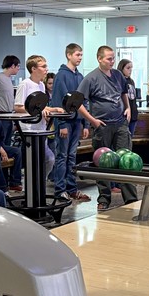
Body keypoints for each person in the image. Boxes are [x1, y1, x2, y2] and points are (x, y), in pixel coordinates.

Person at [78, 46, 138, 211]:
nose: (112, 61)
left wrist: (128, 108)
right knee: (103, 162)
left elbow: (124, 92)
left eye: (113, 58)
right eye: (109, 59)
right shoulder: (90, 78)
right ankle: (104, 199)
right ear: (99, 59)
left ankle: (131, 198)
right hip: (102, 126)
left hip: (120, 124)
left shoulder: (118, 75)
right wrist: (93, 121)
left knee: (126, 160)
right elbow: (78, 103)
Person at [50, 43, 89, 204]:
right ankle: (60, 190)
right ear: (69, 55)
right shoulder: (61, 75)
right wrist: (62, 124)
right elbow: (58, 101)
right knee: (62, 156)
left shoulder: (79, 76)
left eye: (81, 55)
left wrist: (86, 123)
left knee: (72, 156)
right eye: (77, 55)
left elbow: (83, 101)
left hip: (77, 122)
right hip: (65, 122)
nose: (80, 58)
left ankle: (72, 189)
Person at [14, 54, 63, 177]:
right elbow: (18, 107)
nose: (46, 69)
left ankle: (40, 182)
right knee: (40, 160)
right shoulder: (25, 84)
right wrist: (38, 111)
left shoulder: (41, 85)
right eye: (43, 66)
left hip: (41, 128)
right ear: (33, 69)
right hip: (29, 129)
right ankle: (33, 183)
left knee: (49, 159)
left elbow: (41, 107)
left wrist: (54, 109)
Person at [117, 58, 139, 136]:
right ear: (121, 68)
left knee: (130, 136)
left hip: (133, 113)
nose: (130, 70)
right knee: (123, 137)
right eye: (128, 68)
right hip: (123, 114)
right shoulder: (118, 81)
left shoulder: (131, 81)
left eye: (131, 68)